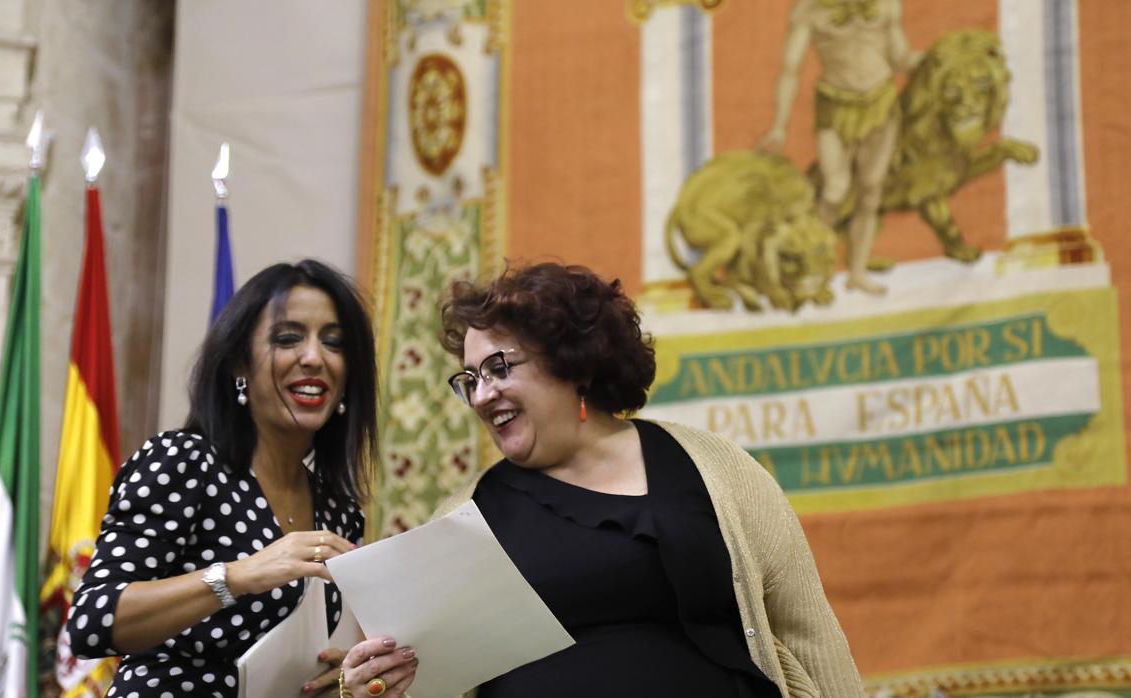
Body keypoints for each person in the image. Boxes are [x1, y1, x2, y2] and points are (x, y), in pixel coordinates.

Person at [434, 263, 862, 697]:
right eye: (470, 380)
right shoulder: (463, 520)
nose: (482, 394)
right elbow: (430, 678)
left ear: (574, 364)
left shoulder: (717, 467)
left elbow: (808, 633)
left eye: (499, 367)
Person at [66, 259, 417, 697]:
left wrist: (345, 684)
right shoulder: (183, 462)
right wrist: (237, 576)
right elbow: (92, 622)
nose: (315, 357)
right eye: (288, 338)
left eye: (335, 343)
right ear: (238, 365)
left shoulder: (339, 512)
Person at [758, 0, 920, 295]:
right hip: (835, 104)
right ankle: (809, 260)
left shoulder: (886, 4)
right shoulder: (809, 10)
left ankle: (856, 272)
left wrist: (922, 61)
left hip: (881, 102)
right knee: (835, 188)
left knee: (871, 189)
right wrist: (779, 125)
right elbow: (789, 69)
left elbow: (898, 58)